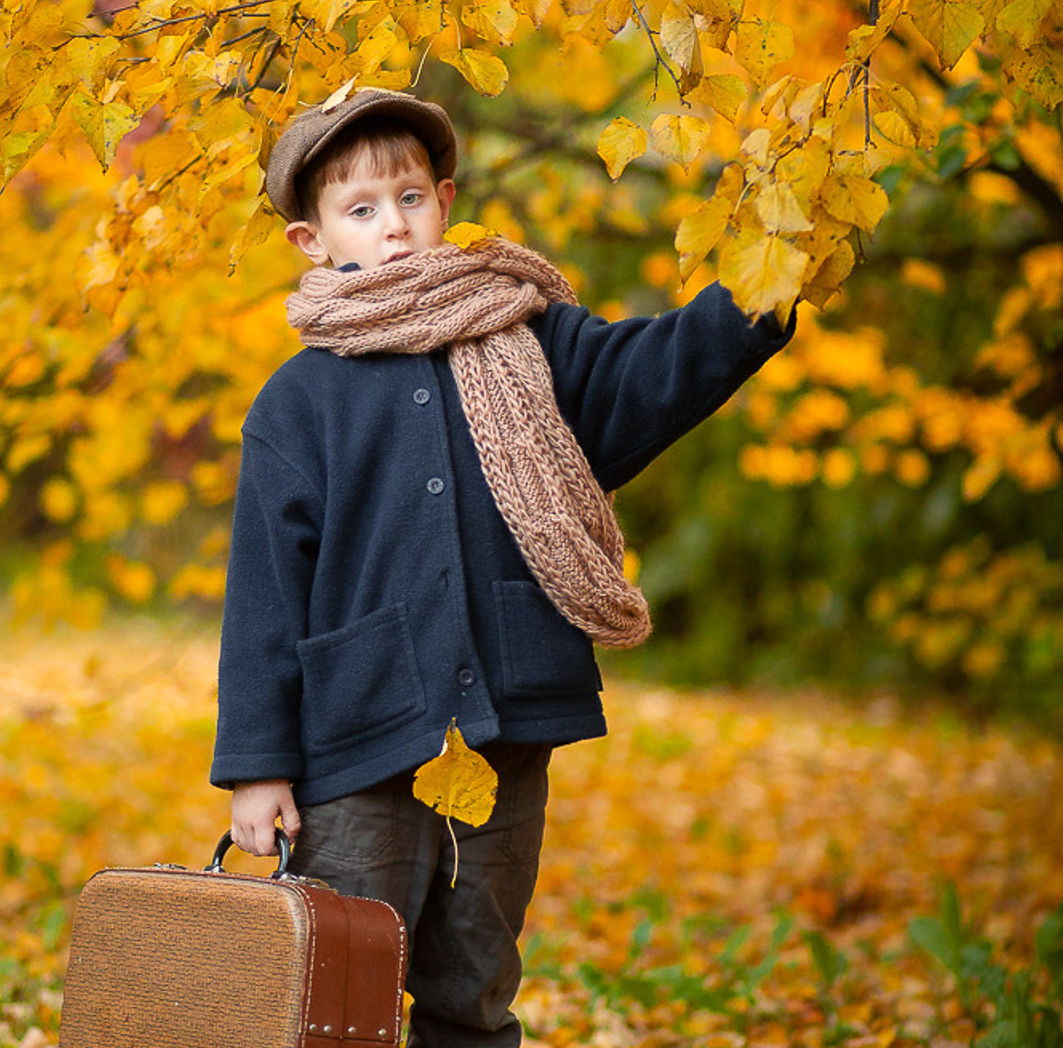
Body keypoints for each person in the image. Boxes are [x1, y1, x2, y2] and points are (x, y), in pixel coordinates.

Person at [211, 87, 794, 1046]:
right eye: (359, 211)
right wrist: (257, 769)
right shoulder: (299, 401)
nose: (392, 228)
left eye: (409, 200)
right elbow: (266, 594)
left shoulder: (530, 339)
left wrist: (767, 283)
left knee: (475, 989)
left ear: (444, 198)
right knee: (334, 1000)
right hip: (359, 748)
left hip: (504, 726)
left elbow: (653, 374)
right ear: (311, 241)